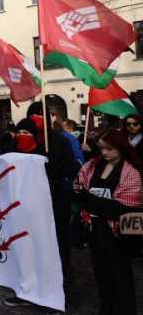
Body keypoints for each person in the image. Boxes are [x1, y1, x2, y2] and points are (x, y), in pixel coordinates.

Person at [3, 115, 80, 311]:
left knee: (55, 250)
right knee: (26, 249)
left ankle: (60, 295)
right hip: (24, 210)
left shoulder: (58, 142)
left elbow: (72, 169)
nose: (21, 136)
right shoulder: (14, 147)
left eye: (26, 132)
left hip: (54, 208)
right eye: (19, 132)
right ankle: (28, 291)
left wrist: (51, 168)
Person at [74, 129, 143, 315]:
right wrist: (85, 197)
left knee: (121, 278)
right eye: (101, 148)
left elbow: (123, 209)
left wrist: (89, 200)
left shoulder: (131, 174)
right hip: (95, 232)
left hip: (118, 235)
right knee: (102, 277)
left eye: (109, 149)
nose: (104, 153)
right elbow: (78, 188)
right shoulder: (92, 165)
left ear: (120, 148)